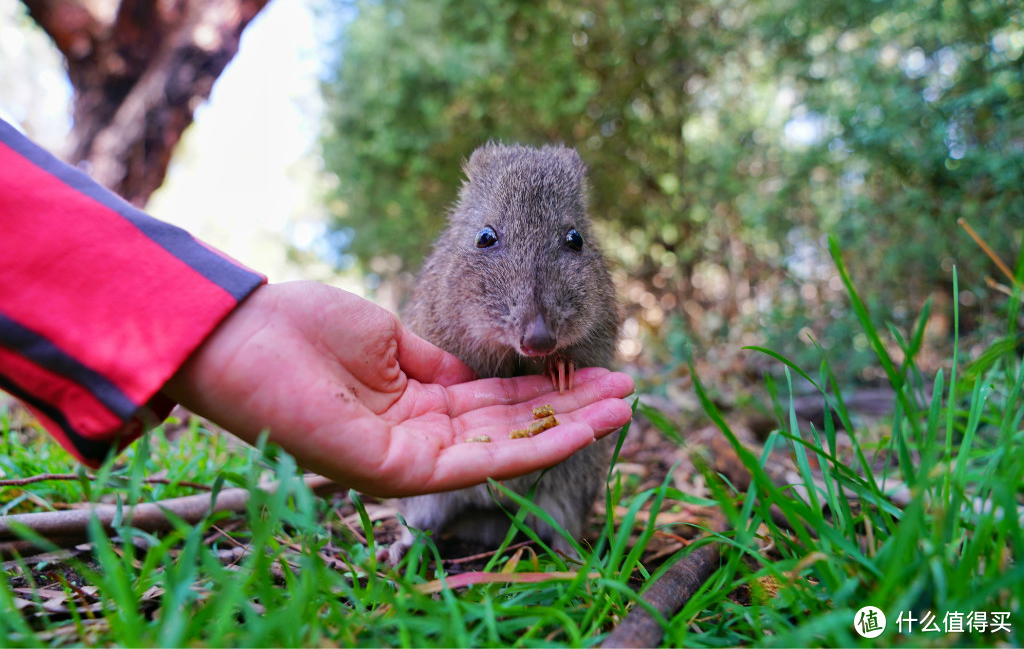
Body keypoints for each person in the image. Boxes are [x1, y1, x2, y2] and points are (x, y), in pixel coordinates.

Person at [0, 118, 634, 497]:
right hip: (455, 465)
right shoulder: (449, 290)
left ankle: (561, 539)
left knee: (579, 453)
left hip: (550, 474)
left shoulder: (587, 294)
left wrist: (215, 324)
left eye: (571, 245)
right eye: (490, 243)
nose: (535, 310)